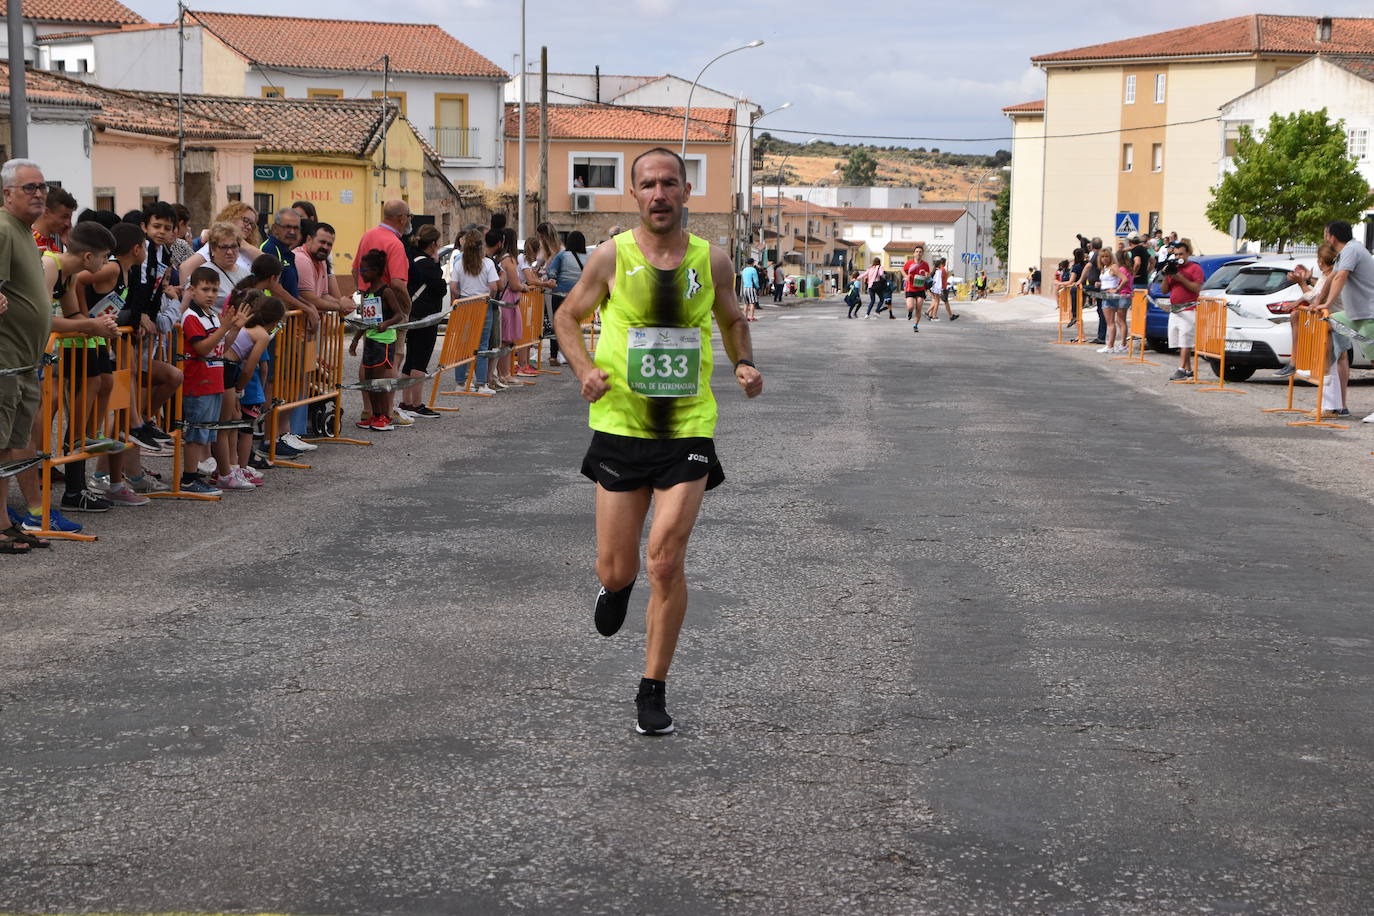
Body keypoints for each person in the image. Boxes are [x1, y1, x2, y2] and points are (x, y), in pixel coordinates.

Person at [551, 146, 763, 736]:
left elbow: (730, 317)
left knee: (665, 561)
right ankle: (615, 588)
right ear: (636, 195)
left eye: (670, 183)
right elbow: (566, 317)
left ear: (686, 191)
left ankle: (653, 688)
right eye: (648, 185)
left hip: (688, 427)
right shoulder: (609, 257)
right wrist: (583, 370)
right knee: (618, 567)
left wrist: (743, 362)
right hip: (620, 424)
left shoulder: (712, 259)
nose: (660, 194)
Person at [0, 159, 60, 550]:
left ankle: (4, 522)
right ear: (7, 194)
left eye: (42, 187)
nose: (39, 193)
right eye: (29, 188)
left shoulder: (22, 230)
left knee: (7, 448)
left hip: (23, 362)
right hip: (4, 364)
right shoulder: (4, 230)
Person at [179, 266, 249, 495]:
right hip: (198, 382)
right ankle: (188, 479)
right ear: (192, 289)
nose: (210, 294)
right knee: (196, 432)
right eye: (205, 289)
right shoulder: (191, 316)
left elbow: (220, 348)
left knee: (207, 432)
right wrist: (225, 327)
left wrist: (234, 330)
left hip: (214, 380)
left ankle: (198, 475)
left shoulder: (211, 315)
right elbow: (202, 348)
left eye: (214, 290)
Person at [1316, 220, 1374, 421]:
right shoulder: (1346, 252)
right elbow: (1331, 277)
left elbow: (1341, 277)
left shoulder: (1352, 250)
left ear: (1332, 236)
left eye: (1325, 234)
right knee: (1325, 325)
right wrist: (1317, 302)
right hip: (1352, 314)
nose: (1325, 238)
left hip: (1368, 313)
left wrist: (1327, 303)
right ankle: (1332, 400)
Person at [349, 249, 410, 430]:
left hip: (384, 340)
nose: (361, 274)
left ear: (376, 271)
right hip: (370, 340)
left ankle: (385, 416)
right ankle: (375, 415)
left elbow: (399, 315)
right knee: (369, 381)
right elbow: (366, 321)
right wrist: (356, 339)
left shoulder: (386, 291)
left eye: (364, 270)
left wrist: (387, 323)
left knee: (379, 382)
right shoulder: (367, 293)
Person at [397, 224, 445, 418]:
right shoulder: (427, 264)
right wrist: (436, 263)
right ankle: (417, 404)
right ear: (433, 244)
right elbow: (441, 287)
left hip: (413, 313)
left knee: (410, 360)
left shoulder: (412, 259)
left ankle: (406, 401)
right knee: (420, 361)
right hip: (426, 316)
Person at [1161, 238, 1203, 381]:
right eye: (1176, 254)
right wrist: (1167, 276)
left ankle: (1181, 369)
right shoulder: (1174, 268)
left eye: (1181, 254)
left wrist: (1181, 279)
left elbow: (1196, 288)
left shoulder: (1195, 268)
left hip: (1189, 309)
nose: (1179, 257)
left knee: (1186, 340)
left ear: (1188, 254)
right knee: (1178, 341)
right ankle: (1189, 370)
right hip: (1175, 310)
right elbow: (1164, 290)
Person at [546, 230, 587, 366]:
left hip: (559, 294)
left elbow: (551, 271)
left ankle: (553, 355)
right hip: (577, 296)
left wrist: (552, 279)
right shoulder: (588, 257)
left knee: (557, 323)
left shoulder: (562, 255)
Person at [494, 227, 527, 385]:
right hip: (509, 302)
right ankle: (504, 374)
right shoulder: (510, 260)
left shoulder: (500, 258)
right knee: (505, 340)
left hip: (505, 301)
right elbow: (514, 284)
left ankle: (503, 373)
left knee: (504, 339)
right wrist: (524, 287)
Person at [1098, 249, 1132, 354]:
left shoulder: (1113, 267)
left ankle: (1110, 346)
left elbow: (1125, 279)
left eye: (1106, 256)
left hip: (1111, 296)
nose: (1104, 259)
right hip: (1105, 295)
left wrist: (1116, 289)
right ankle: (1111, 345)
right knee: (1111, 322)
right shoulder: (1104, 268)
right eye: (1102, 257)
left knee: (1111, 322)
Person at [32, 185, 76, 253]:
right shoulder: (28, 244)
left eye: (70, 218)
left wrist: (69, 245)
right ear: (46, 212)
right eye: (64, 217)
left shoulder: (53, 248)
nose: (68, 224)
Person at [903, 245, 930, 329]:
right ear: (914, 253)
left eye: (920, 252)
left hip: (920, 288)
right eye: (917, 251)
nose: (918, 253)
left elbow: (928, 275)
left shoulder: (925, 264)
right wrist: (906, 276)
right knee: (910, 306)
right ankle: (910, 312)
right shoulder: (909, 263)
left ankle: (915, 325)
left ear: (923, 254)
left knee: (919, 307)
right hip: (910, 288)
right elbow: (902, 270)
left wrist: (927, 275)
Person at [739, 257, 760, 321]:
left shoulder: (744, 270)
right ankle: (751, 317)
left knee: (746, 303)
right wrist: (757, 287)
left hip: (745, 288)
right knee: (752, 303)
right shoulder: (753, 270)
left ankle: (745, 317)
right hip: (751, 287)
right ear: (752, 263)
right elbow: (756, 280)